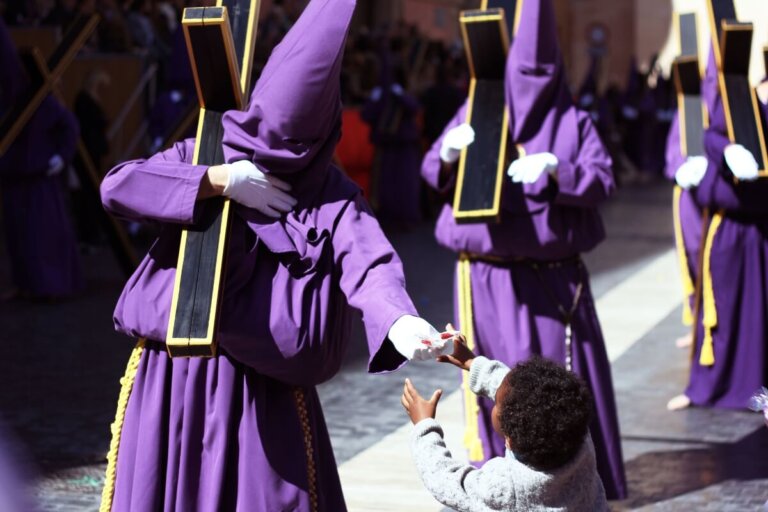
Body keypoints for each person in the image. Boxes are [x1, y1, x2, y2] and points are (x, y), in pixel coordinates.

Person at [99, 1, 446, 510]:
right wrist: (216, 181)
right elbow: (118, 186)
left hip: (264, 390)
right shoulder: (206, 152)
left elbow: (369, 264)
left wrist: (399, 321)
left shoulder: (331, 193)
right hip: (172, 375)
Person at [420, 0, 626, 499]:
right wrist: (448, 155)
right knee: (490, 377)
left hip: (550, 282)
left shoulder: (573, 121)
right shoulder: (480, 108)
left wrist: (560, 169)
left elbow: (602, 178)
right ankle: (494, 486)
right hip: (486, 277)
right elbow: (433, 168)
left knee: (553, 386)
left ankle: (567, 483)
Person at [401, 331, 608, 512]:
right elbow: (519, 391)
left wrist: (425, 425)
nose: (495, 399)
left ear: (509, 440)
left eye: (497, 404)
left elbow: (445, 480)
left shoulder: (506, 487)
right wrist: (474, 364)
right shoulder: (578, 437)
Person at [668, 48, 768, 411]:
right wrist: (724, 150)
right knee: (722, 311)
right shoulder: (741, 103)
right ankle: (709, 387)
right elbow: (712, 134)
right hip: (729, 228)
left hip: (762, 226)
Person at [0, 19, 82, 300]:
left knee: (43, 237)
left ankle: (52, 285)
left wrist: (60, 156)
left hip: (38, 176)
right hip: (14, 175)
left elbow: (67, 125)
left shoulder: (36, 99)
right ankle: (27, 284)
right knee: (18, 238)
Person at [362, 53, 423, 226]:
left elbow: (414, 108)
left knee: (405, 182)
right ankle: (387, 215)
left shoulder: (401, 92)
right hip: (386, 146)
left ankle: (405, 215)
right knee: (386, 185)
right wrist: (375, 98)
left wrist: (400, 95)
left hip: (403, 145)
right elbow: (366, 115)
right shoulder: (380, 93)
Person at [664, 111, 707, 349]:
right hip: (691, 195)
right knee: (693, 257)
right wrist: (680, 166)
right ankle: (698, 326)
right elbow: (675, 147)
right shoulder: (690, 103)